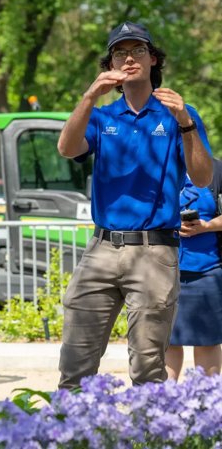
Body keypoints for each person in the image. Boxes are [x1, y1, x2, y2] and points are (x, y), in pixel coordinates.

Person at [56, 21, 212, 389]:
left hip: (154, 249)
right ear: (109, 63)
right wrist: (88, 97)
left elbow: (203, 178)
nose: (129, 58)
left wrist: (186, 123)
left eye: (138, 50)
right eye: (119, 52)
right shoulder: (102, 116)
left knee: (147, 369)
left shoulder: (176, 114)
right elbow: (66, 149)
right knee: (75, 364)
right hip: (101, 247)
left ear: (153, 59)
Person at [165, 158, 222, 379]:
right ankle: (165, 400)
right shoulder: (159, 166)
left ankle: (206, 402)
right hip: (163, 269)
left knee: (207, 341)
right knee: (166, 341)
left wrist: (207, 226)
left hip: (208, 270)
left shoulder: (217, 170)